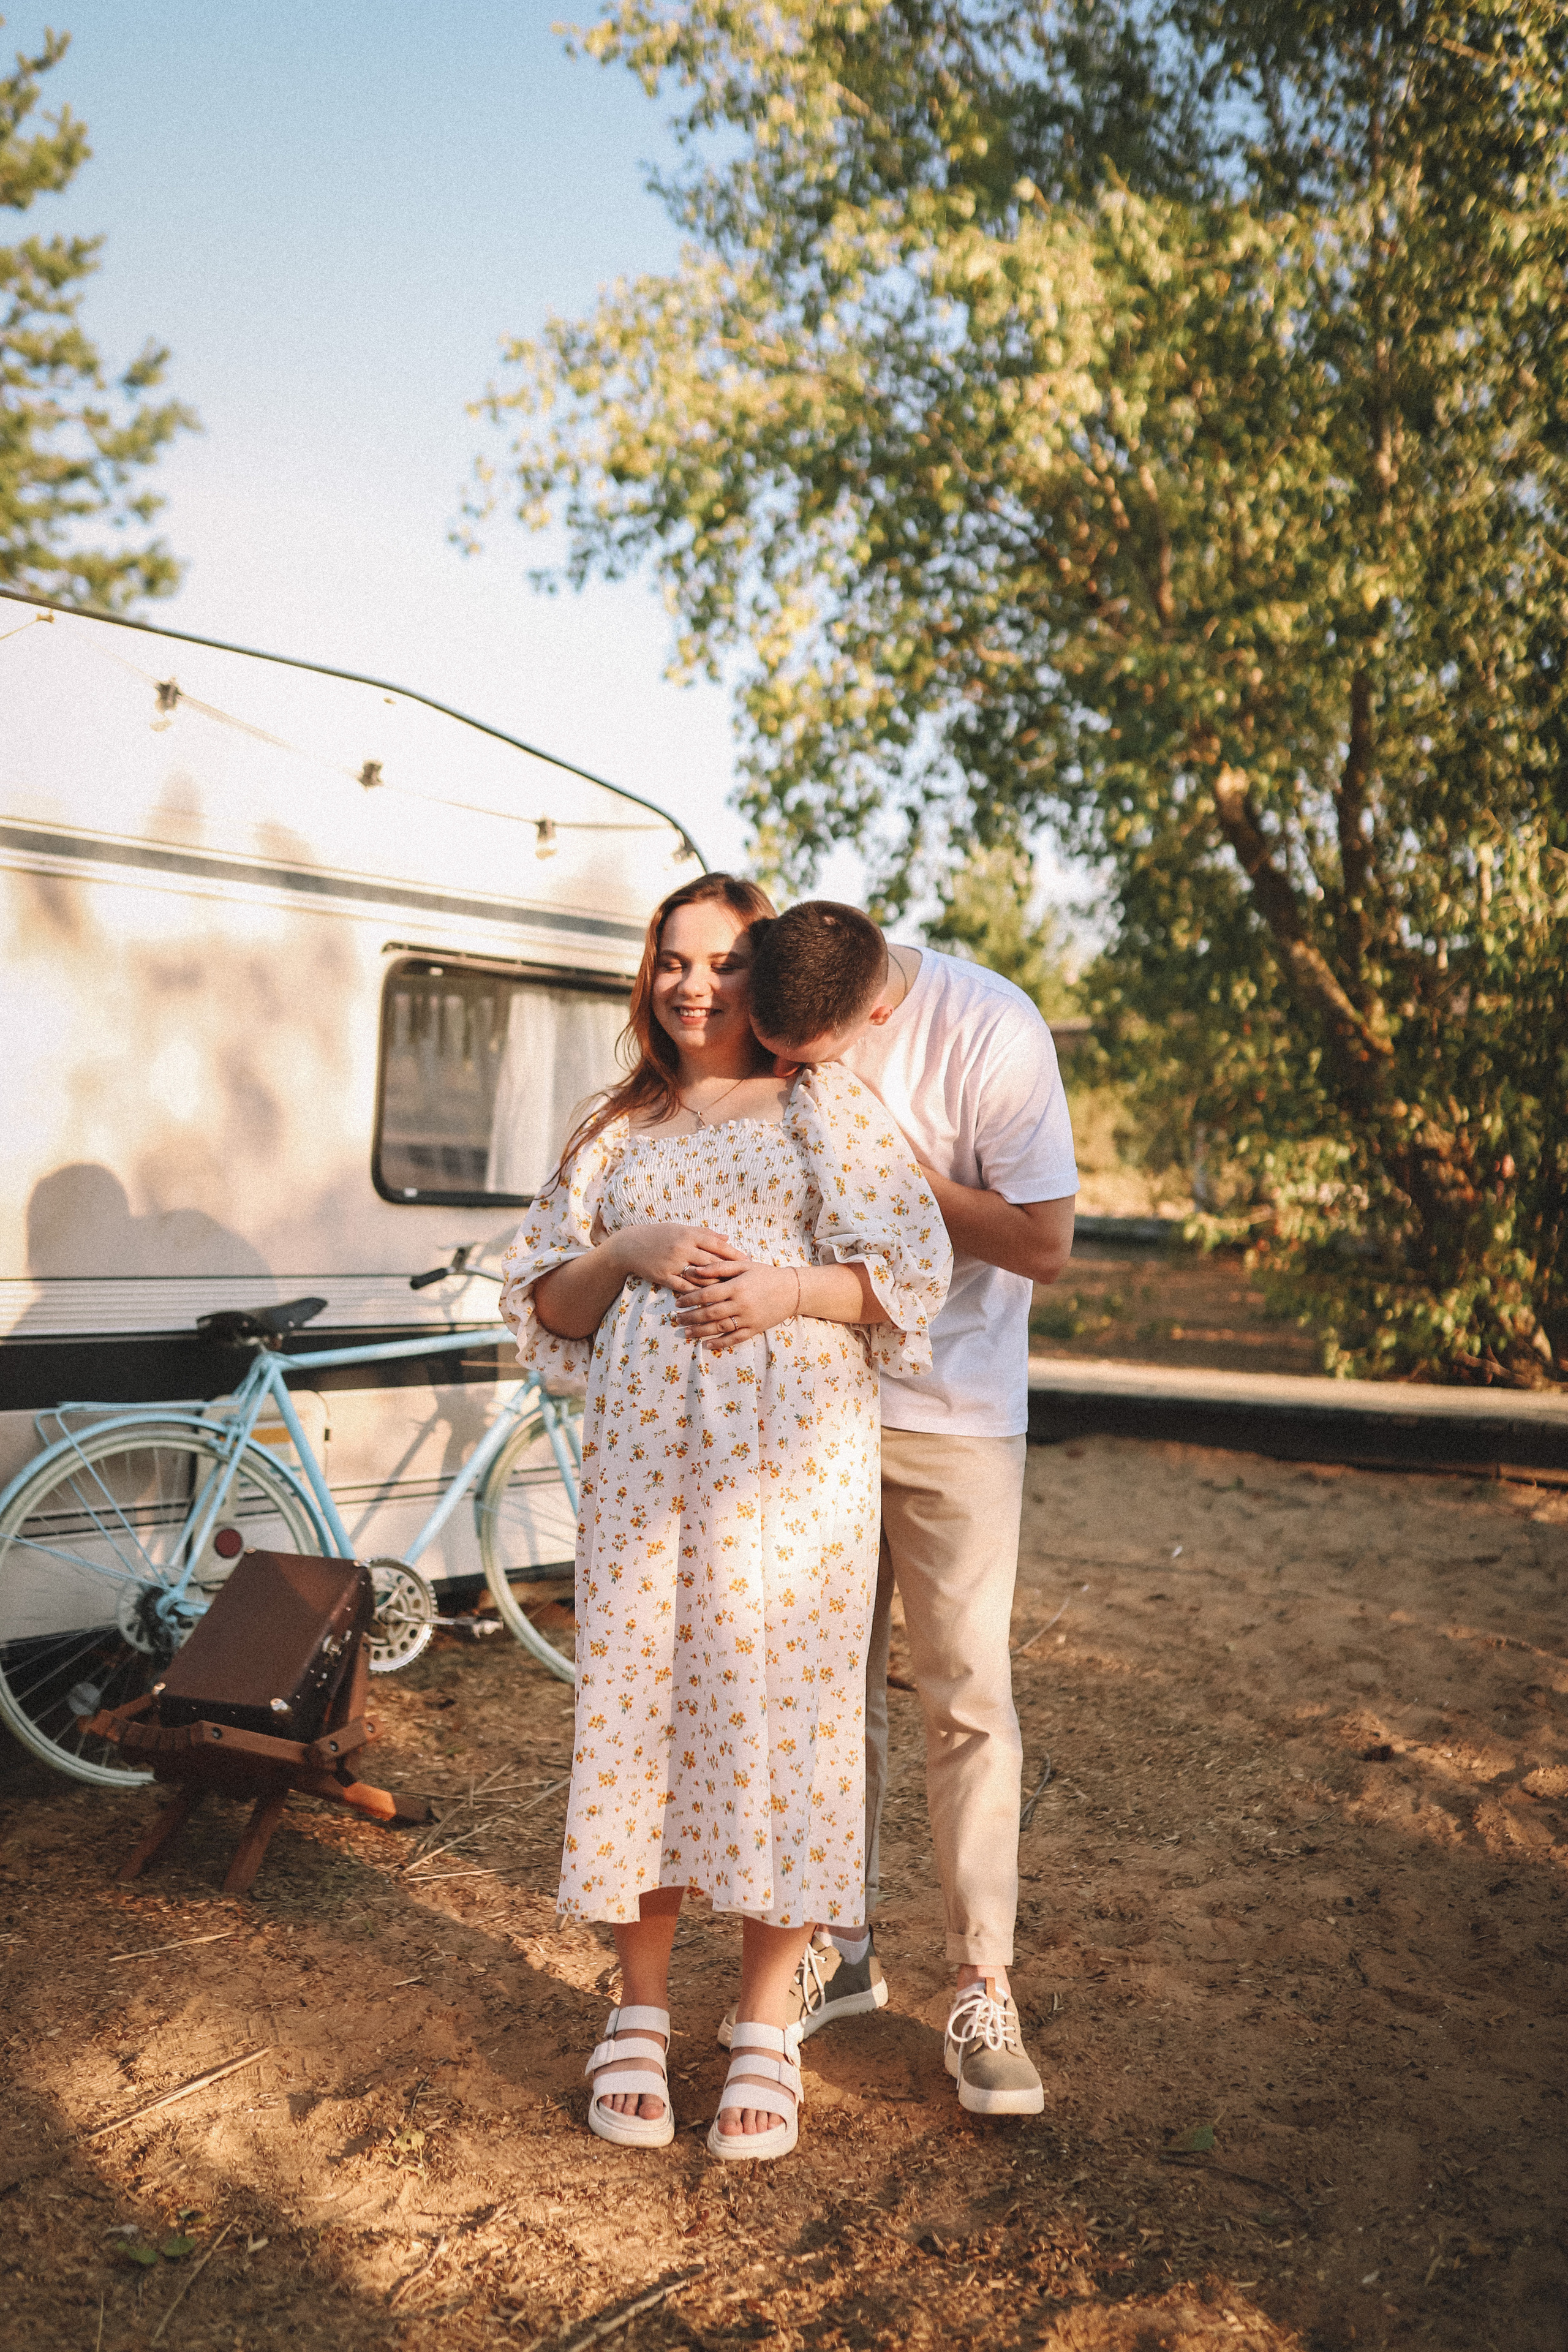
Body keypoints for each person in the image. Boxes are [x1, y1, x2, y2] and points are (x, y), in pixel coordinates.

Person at [497, 873, 951, 2163]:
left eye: (720, 963)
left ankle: (763, 2025)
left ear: (765, 977)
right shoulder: (616, 1129)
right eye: (670, 963)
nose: (692, 986)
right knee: (645, 1716)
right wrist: (627, 1249)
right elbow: (550, 1309)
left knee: (780, 1722)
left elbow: (908, 1276)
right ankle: (635, 2008)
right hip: (648, 1484)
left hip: (795, 1482)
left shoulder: (823, 1104)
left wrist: (781, 1291)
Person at [746, 900, 1078, 2116]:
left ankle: (981, 1986)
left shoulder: (989, 1030)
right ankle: (834, 1949)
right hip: (816, 1411)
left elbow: (1044, 1245)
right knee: (822, 1693)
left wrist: (897, 1177)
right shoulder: (784, 1012)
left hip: (959, 1419)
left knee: (965, 1698)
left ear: (875, 1008)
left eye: (803, 1057)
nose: (783, 1075)